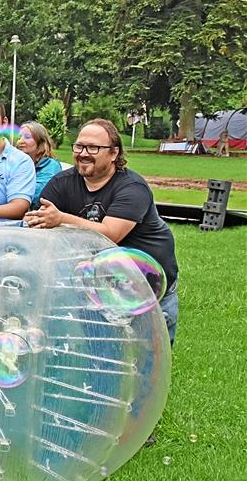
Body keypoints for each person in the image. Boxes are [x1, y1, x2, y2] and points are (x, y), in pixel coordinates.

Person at [25, 118, 179, 343]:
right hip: (96, 285)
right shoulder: (62, 183)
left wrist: (61, 219)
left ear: (114, 153)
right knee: (100, 354)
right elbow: (37, 224)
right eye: (79, 146)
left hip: (145, 285)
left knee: (145, 366)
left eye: (93, 148)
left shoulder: (132, 187)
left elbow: (110, 235)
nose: (83, 153)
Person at [15, 120, 62, 208]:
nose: (20, 141)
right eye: (19, 137)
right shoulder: (17, 164)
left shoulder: (51, 166)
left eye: (27, 137)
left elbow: (37, 194)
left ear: (41, 143)